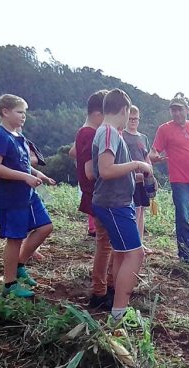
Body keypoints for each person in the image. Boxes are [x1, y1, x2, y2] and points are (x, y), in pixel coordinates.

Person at [92, 89, 152, 322]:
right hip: (114, 204)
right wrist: (137, 163)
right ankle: (119, 311)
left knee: (121, 253)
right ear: (125, 110)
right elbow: (106, 171)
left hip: (114, 202)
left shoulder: (106, 131)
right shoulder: (109, 133)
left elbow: (111, 170)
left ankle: (118, 303)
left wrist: (134, 174)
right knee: (135, 255)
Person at [0, 94, 55, 298]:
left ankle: (20, 265)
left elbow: (23, 164)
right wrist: (25, 177)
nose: (23, 116)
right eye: (19, 112)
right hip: (10, 196)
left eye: (24, 112)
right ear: (5, 112)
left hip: (28, 194)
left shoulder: (18, 136)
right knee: (15, 238)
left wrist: (38, 174)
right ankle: (9, 284)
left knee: (45, 227)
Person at [150, 97, 189, 262]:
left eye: (180, 109)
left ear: (187, 109)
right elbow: (153, 151)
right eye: (173, 110)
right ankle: (185, 254)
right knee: (183, 217)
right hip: (179, 182)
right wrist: (155, 157)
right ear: (170, 111)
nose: (177, 113)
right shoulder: (164, 129)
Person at [69, 90, 115, 309]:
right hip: (98, 196)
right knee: (105, 245)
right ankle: (99, 292)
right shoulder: (89, 134)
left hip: (96, 196)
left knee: (107, 244)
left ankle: (106, 286)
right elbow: (90, 171)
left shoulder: (85, 132)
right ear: (100, 113)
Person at [121, 105, 153, 252]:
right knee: (135, 211)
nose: (133, 121)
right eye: (131, 118)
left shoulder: (143, 137)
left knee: (142, 211)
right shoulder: (122, 136)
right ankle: (133, 243)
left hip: (143, 181)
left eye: (136, 119)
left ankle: (140, 242)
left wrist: (151, 175)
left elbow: (147, 158)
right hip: (129, 180)